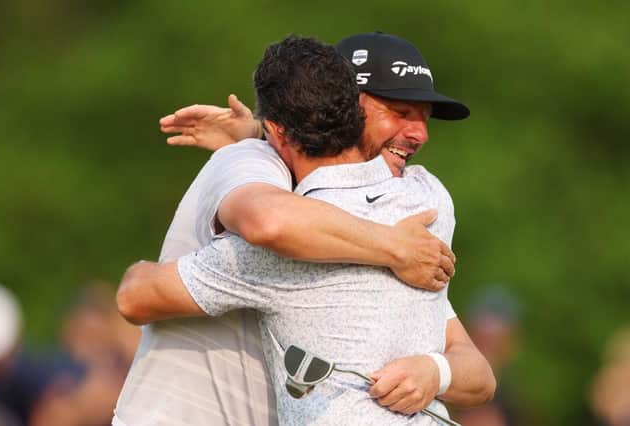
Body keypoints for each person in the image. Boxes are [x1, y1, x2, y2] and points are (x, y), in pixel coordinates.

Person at [117, 34, 494, 425]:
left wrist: (436, 371)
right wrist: (394, 248)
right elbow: (271, 222)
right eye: (400, 111)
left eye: (424, 118)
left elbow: (479, 376)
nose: (420, 134)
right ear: (352, 103)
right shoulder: (421, 207)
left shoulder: (411, 215)